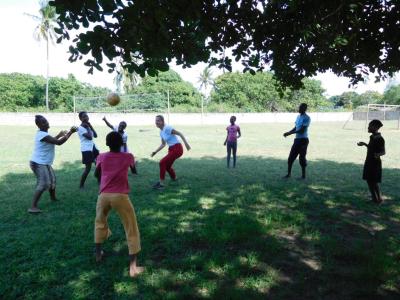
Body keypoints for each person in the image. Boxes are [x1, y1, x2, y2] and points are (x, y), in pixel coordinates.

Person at [94, 131, 143, 277]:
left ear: (107, 143)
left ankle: (98, 254)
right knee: (131, 227)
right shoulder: (128, 156)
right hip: (121, 196)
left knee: (99, 222)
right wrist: (132, 164)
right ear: (122, 143)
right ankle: (133, 268)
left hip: (103, 196)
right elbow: (134, 170)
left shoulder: (101, 156)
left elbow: (96, 174)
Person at [29, 115, 76, 213]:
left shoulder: (43, 134)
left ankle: (53, 198)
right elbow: (58, 143)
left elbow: (51, 141)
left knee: (52, 180)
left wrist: (59, 135)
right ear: (38, 125)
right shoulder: (42, 134)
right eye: (43, 122)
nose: (46, 123)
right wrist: (71, 132)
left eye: (45, 121)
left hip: (44, 162)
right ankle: (33, 207)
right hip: (38, 163)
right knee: (43, 183)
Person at [151, 115, 191, 189]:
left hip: (177, 148)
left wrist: (186, 144)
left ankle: (161, 184)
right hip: (171, 149)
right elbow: (163, 144)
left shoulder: (167, 128)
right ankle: (174, 178)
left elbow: (180, 133)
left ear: (162, 121)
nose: (156, 122)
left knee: (162, 162)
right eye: (156, 121)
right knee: (167, 166)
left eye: (158, 121)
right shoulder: (161, 132)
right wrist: (155, 152)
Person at [357, 119, 385, 204]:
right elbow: (371, 148)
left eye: (370, 126)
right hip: (369, 161)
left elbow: (383, 151)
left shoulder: (379, 138)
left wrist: (377, 155)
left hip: (374, 163)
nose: (368, 127)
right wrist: (365, 144)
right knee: (370, 181)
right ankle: (375, 199)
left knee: (373, 181)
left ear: (375, 127)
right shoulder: (372, 137)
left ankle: (378, 199)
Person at [283, 103, 311, 179]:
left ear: (304, 109)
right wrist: (288, 133)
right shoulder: (298, 117)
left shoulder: (307, 118)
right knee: (290, 158)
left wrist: (290, 133)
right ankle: (289, 174)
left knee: (301, 158)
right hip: (297, 140)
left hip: (303, 140)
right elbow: (296, 128)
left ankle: (303, 176)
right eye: (299, 107)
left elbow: (301, 130)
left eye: (300, 108)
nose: (299, 109)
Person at [78, 111, 99, 189]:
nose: (86, 118)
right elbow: (90, 137)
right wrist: (87, 127)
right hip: (86, 149)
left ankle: (99, 181)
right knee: (88, 168)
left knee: (99, 165)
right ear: (80, 118)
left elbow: (95, 135)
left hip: (93, 147)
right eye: (84, 117)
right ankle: (81, 185)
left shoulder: (88, 125)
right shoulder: (80, 128)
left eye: (87, 116)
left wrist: (90, 126)